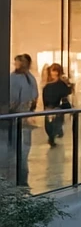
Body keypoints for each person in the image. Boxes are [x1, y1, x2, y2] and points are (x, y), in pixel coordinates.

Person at [8, 54, 38, 187]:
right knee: (23, 151)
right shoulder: (30, 78)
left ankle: (19, 180)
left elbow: (13, 99)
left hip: (17, 118)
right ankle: (21, 180)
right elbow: (34, 97)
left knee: (18, 151)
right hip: (25, 117)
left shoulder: (16, 78)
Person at [41, 62, 73, 147]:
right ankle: (52, 137)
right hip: (49, 108)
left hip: (57, 108)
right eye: (53, 71)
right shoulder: (47, 84)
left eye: (56, 71)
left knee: (55, 124)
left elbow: (66, 93)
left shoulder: (61, 83)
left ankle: (53, 137)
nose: (54, 73)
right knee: (49, 126)